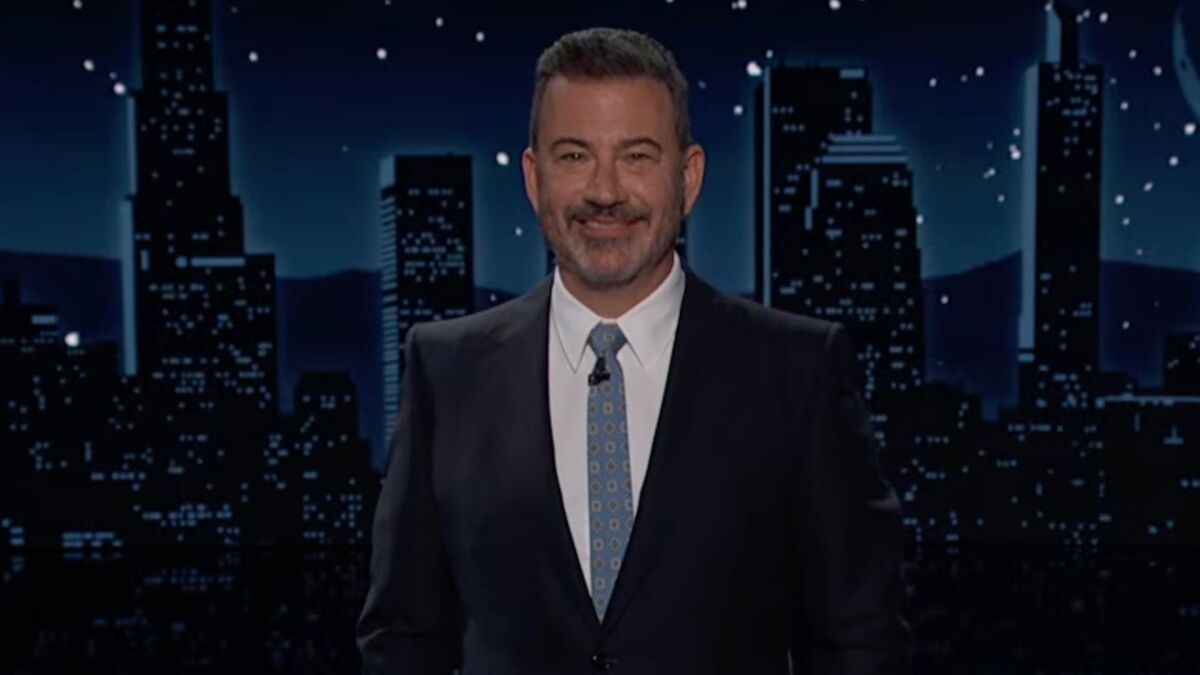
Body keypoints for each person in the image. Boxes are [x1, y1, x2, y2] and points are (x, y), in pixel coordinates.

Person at [357, 27, 910, 675]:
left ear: (688, 177)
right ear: (534, 178)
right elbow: (404, 635)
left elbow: (859, 639)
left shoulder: (798, 370)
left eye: (637, 156)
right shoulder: (446, 372)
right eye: (574, 156)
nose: (605, 191)